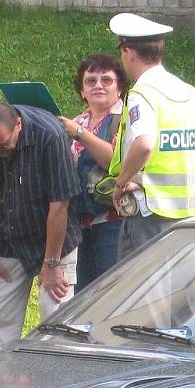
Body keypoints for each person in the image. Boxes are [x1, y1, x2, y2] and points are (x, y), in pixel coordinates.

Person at [0, 101, 82, 350]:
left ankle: (54, 381)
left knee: (56, 317)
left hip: (56, 239)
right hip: (8, 235)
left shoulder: (50, 136)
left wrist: (51, 264)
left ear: (18, 125)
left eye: (2, 145)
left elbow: (60, 205)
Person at [105, 13, 195, 261]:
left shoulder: (143, 93)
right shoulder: (191, 93)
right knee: (182, 296)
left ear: (129, 51)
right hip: (186, 216)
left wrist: (121, 184)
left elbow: (144, 145)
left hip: (148, 214)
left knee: (142, 295)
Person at [57, 54, 129, 292]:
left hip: (113, 221)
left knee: (111, 293)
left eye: (107, 80)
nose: (98, 85)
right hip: (78, 223)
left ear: (120, 88)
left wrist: (80, 133)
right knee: (83, 295)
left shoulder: (125, 120)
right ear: (81, 90)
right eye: (91, 81)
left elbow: (117, 164)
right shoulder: (77, 120)